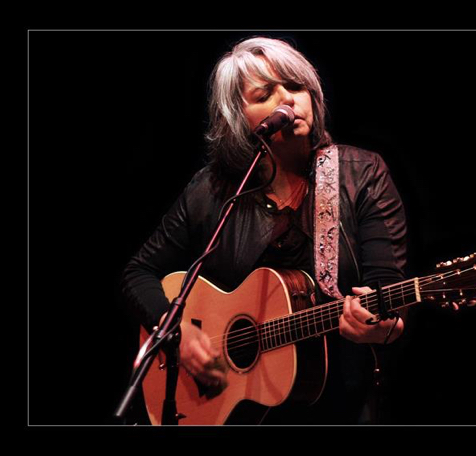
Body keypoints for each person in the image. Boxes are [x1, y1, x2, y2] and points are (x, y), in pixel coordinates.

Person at [121, 36, 408, 424]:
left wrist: (381, 326)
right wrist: (178, 331)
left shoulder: (361, 174)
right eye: (264, 94)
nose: (286, 100)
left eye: (295, 86)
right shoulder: (213, 190)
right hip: (235, 408)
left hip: (338, 404)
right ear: (239, 119)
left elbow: (387, 290)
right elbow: (138, 273)